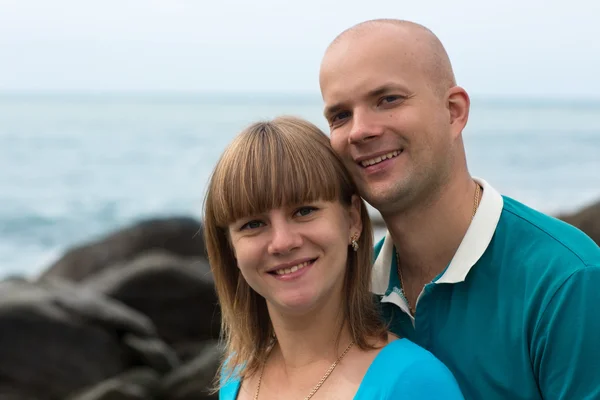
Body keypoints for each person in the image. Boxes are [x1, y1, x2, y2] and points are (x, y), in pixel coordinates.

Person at [319, 18, 600, 400]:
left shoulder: (567, 281)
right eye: (340, 115)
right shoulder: (348, 293)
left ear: (454, 112)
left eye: (388, 99)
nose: (359, 130)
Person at [203, 116, 464, 399]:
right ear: (230, 248)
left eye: (304, 211)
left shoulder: (414, 383)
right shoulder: (237, 374)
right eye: (253, 224)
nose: (282, 242)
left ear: (352, 218)